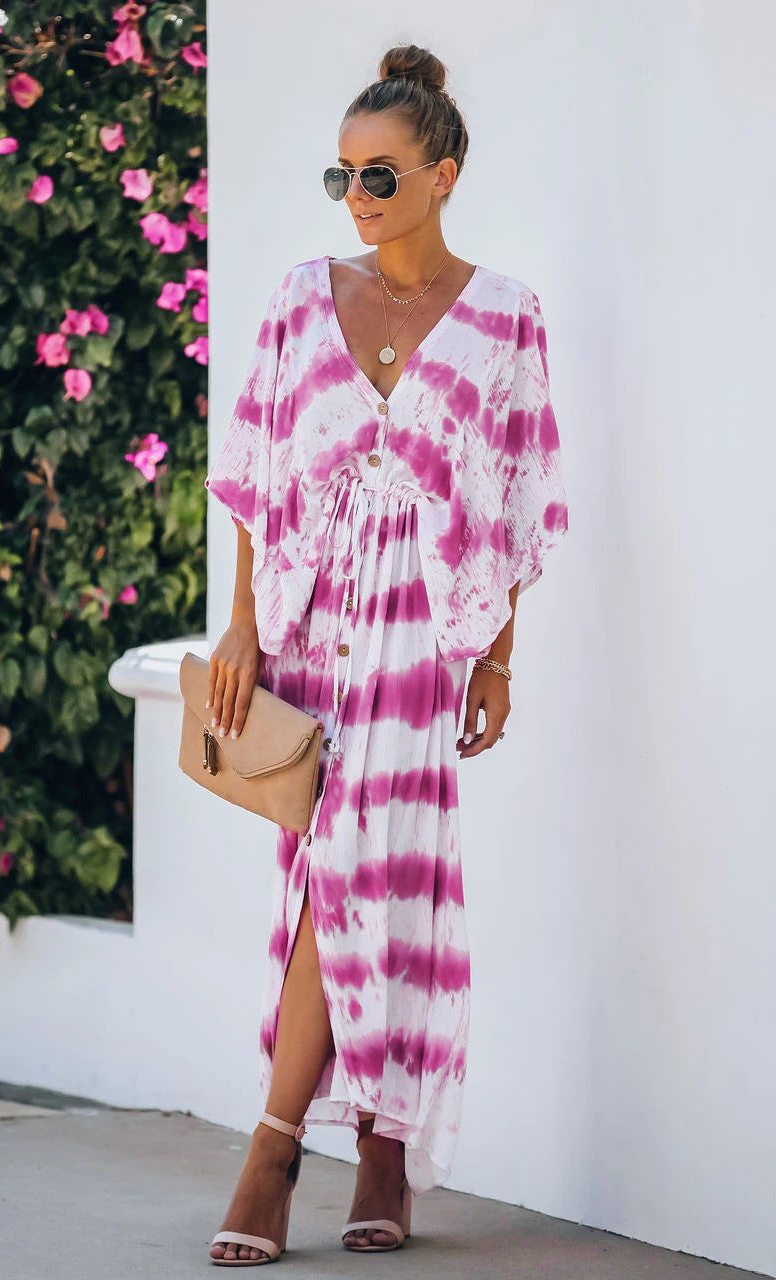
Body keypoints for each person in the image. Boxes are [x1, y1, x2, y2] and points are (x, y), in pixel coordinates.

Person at [200, 42, 570, 1266]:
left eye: (378, 175)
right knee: (337, 872)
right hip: (313, 618)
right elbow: (254, 473)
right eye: (340, 175)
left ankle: (290, 1148)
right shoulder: (301, 295)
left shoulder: (506, 314)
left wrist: (496, 658)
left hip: (419, 626)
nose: (354, 198)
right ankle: (370, 1144)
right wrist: (243, 623)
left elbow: (512, 502)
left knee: (373, 872)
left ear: (441, 175)